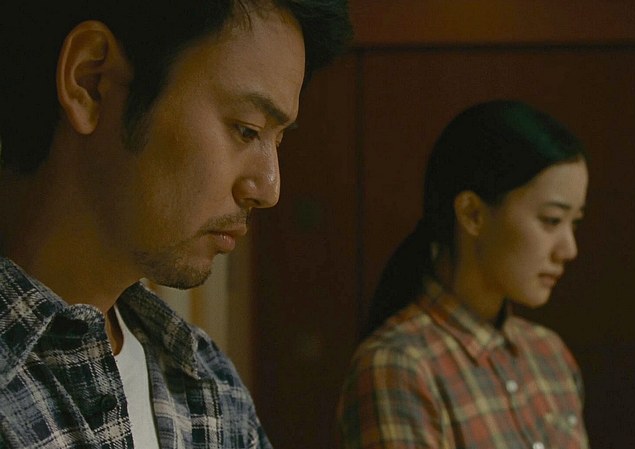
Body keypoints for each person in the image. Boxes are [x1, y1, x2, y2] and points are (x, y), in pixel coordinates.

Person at [0, 1, 351, 448]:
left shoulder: (210, 386)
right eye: (246, 129)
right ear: (91, 81)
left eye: (277, 140)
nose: (268, 189)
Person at [337, 100, 590, 449]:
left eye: (574, 223)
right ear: (472, 214)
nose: (569, 249)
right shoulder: (399, 366)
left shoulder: (550, 355)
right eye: (551, 220)